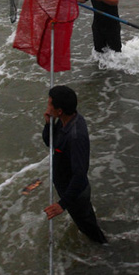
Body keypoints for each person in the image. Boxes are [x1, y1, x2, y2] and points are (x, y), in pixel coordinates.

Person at [41, 86, 108, 243]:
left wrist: (61, 205)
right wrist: (49, 124)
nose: (47, 106)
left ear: (60, 111)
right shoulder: (65, 121)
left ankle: (104, 249)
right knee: (84, 220)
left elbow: (80, 175)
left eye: (50, 104)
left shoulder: (75, 136)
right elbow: (51, 142)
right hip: (67, 188)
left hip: (75, 192)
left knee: (88, 227)